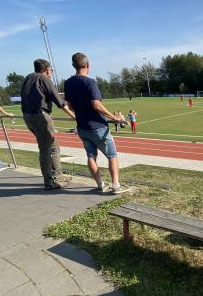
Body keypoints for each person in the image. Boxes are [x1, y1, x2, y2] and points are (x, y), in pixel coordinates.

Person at [64, 52, 129, 194]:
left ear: (73, 66)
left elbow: (70, 106)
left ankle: (100, 184)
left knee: (91, 156)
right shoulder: (90, 82)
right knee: (112, 156)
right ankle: (116, 185)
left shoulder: (68, 83)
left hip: (82, 128)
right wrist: (115, 117)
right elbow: (97, 105)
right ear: (87, 65)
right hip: (98, 127)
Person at [21, 59, 76, 191]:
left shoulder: (28, 78)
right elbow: (59, 101)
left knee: (50, 146)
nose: (51, 72)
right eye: (51, 70)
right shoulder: (44, 79)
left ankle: (56, 177)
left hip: (28, 116)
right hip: (40, 116)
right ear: (46, 70)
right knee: (48, 149)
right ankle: (51, 181)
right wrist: (73, 115)